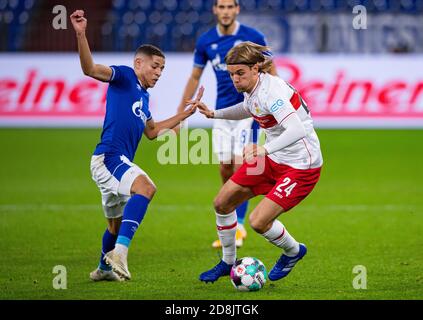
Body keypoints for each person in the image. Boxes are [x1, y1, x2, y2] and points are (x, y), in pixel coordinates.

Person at [70, 10, 200, 281]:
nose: (159, 72)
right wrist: (81, 33)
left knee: (114, 227)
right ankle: (119, 254)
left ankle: (104, 269)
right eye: (155, 66)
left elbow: (152, 132)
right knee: (146, 188)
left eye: (162, 68)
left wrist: (185, 115)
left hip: (113, 163)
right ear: (139, 63)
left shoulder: (144, 98)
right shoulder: (125, 76)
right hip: (109, 157)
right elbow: (90, 69)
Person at [191, 41, 323, 283]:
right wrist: (215, 114)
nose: (235, 79)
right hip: (273, 157)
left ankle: (294, 251)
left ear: (256, 69)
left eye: (240, 73)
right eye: (231, 74)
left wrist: (263, 149)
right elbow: (249, 108)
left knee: (258, 222)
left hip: (301, 166)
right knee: (222, 202)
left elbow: (296, 130)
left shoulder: (271, 92)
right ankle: (227, 261)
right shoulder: (254, 90)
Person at [177, 0, 277, 249]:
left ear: (237, 9)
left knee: (242, 165)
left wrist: (278, 102)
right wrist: (181, 113)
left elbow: (271, 68)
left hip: (249, 111)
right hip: (221, 113)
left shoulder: (252, 37)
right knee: (225, 168)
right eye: (221, 7)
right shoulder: (205, 41)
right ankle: (230, 213)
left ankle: (239, 226)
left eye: (230, 6)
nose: (225, 11)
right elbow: (194, 76)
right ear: (215, 10)